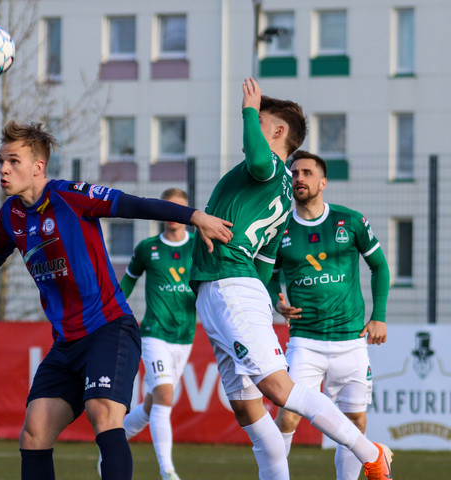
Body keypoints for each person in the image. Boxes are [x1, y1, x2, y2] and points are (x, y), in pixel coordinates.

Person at [0, 120, 233, 480]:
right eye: (0, 161)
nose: (3, 169)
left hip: (109, 329)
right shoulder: (11, 215)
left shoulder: (70, 196)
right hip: (66, 344)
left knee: (102, 412)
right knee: (34, 432)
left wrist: (194, 216)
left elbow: (133, 205)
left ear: (38, 166)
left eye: (13, 161)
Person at [189, 77, 393, 480]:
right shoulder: (284, 194)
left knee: (280, 391)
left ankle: (371, 453)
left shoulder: (267, 169)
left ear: (278, 132)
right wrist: (267, 302)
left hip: (229, 285)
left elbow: (258, 159)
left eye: (262, 122)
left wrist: (249, 110)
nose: (253, 127)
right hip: (228, 288)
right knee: (247, 410)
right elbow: (266, 261)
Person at [268, 150, 390, 479]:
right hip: (305, 341)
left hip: (351, 340)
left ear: (323, 182)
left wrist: (378, 316)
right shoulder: (279, 228)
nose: (299, 178)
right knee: (288, 415)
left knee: (355, 422)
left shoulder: (350, 221)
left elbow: (379, 266)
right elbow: (268, 275)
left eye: (307, 173)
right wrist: (277, 300)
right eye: (294, 173)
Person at [119, 187, 196, 480]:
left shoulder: (199, 245)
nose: (173, 214)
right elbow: (127, 283)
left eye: (179, 208)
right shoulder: (147, 248)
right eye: (167, 207)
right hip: (153, 332)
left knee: (153, 403)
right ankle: (168, 471)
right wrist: (110, 311)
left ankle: (112, 442)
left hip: (185, 335)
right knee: (164, 395)